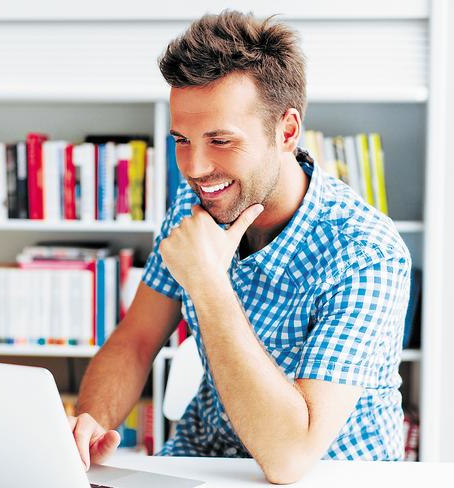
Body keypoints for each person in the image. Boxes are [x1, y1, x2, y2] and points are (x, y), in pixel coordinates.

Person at [69, 10, 411, 484]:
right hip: (204, 456)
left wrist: (209, 284)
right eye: (182, 140)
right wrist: (94, 422)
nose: (194, 167)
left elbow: (290, 459)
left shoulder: (365, 252)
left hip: (329, 472)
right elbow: (136, 340)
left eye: (221, 140)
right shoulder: (197, 206)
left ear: (287, 131)